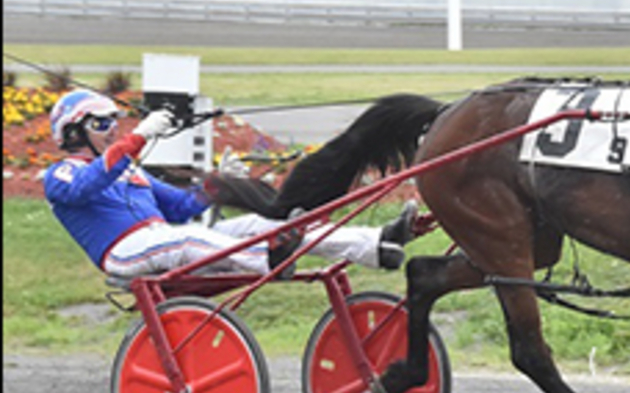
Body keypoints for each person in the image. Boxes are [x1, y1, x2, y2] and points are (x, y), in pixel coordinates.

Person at [43, 89, 417, 281]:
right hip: (124, 253)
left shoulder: (129, 172)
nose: (112, 132)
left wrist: (218, 184)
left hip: (161, 240)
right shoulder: (60, 175)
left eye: (114, 123)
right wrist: (137, 138)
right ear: (74, 133)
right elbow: (85, 188)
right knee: (187, 239)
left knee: (259, 227)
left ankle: (374, 244)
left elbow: (180, 208)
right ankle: (267, 259)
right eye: (101, 125)